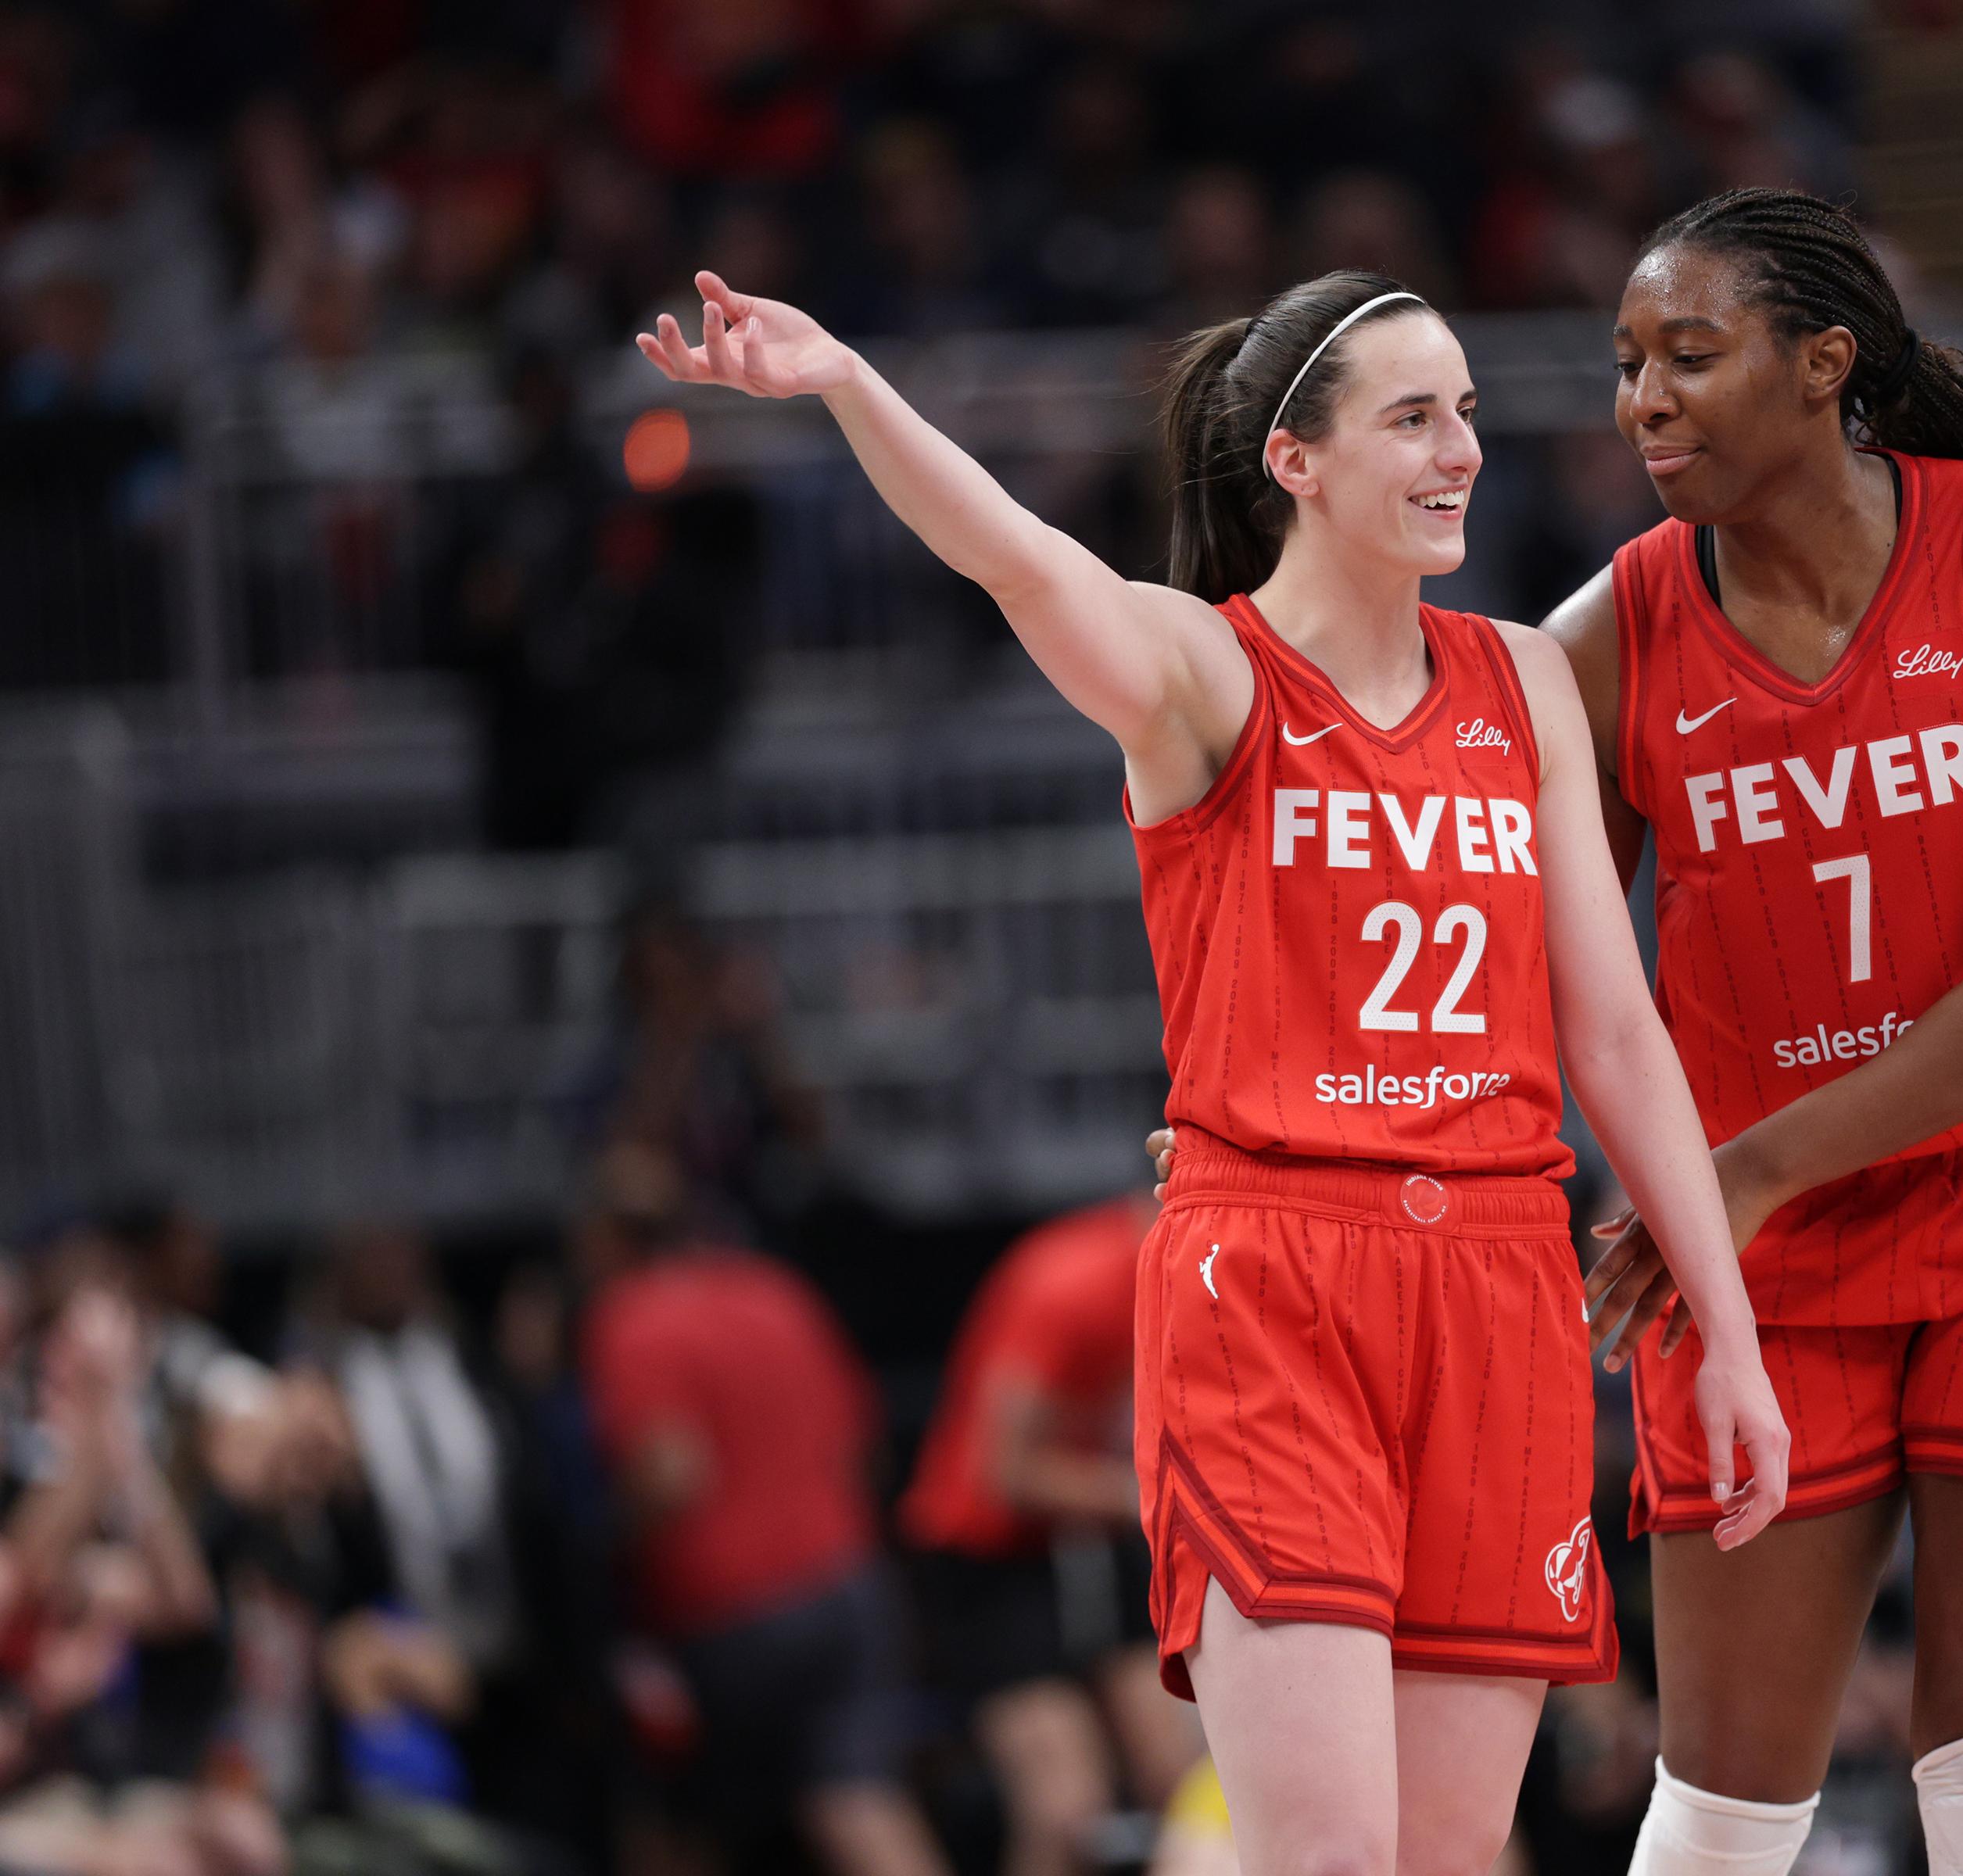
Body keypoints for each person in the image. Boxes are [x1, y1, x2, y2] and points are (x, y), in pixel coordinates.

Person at [639, 265, 1787, 1876]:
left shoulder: (1524, 677)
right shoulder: (1205, 675)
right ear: (1297, 463)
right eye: (1412, 417)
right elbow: (1012, 558)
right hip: (1277, 1286)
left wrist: (1725, 1333)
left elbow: (1611, 1031)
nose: (1462, 448)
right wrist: (845, 383)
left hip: (1502, 1287)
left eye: (1465, 410)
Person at [1165, 185, 1963, 1876]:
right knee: (1724, 1810)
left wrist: (1757, 1166)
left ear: (1825, 366)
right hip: (1756, 1230)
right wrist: (1272, 1107)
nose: (1641, 398)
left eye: (1690, 356)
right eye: (1626, 362)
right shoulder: (1601, 643)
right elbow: (1495, 947)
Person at [575, 1147, 940, 1876]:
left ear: (609, 1240)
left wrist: (601, 1552)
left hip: (730, 1615)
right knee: (860, 1804)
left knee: (674, 1826)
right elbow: (863, 1452)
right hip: (850, 1589)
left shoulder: (631, 1319)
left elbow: (669, 1476)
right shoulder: (776, 1291)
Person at [898, 1191, 1199, 1876]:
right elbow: (1004, 1471)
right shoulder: (1072, 1285)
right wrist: (1155, 1499)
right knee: (1065, 1808)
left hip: (1095, 1538)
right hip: (991, 1555)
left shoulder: (1203, 1280)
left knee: (1185, 1778)